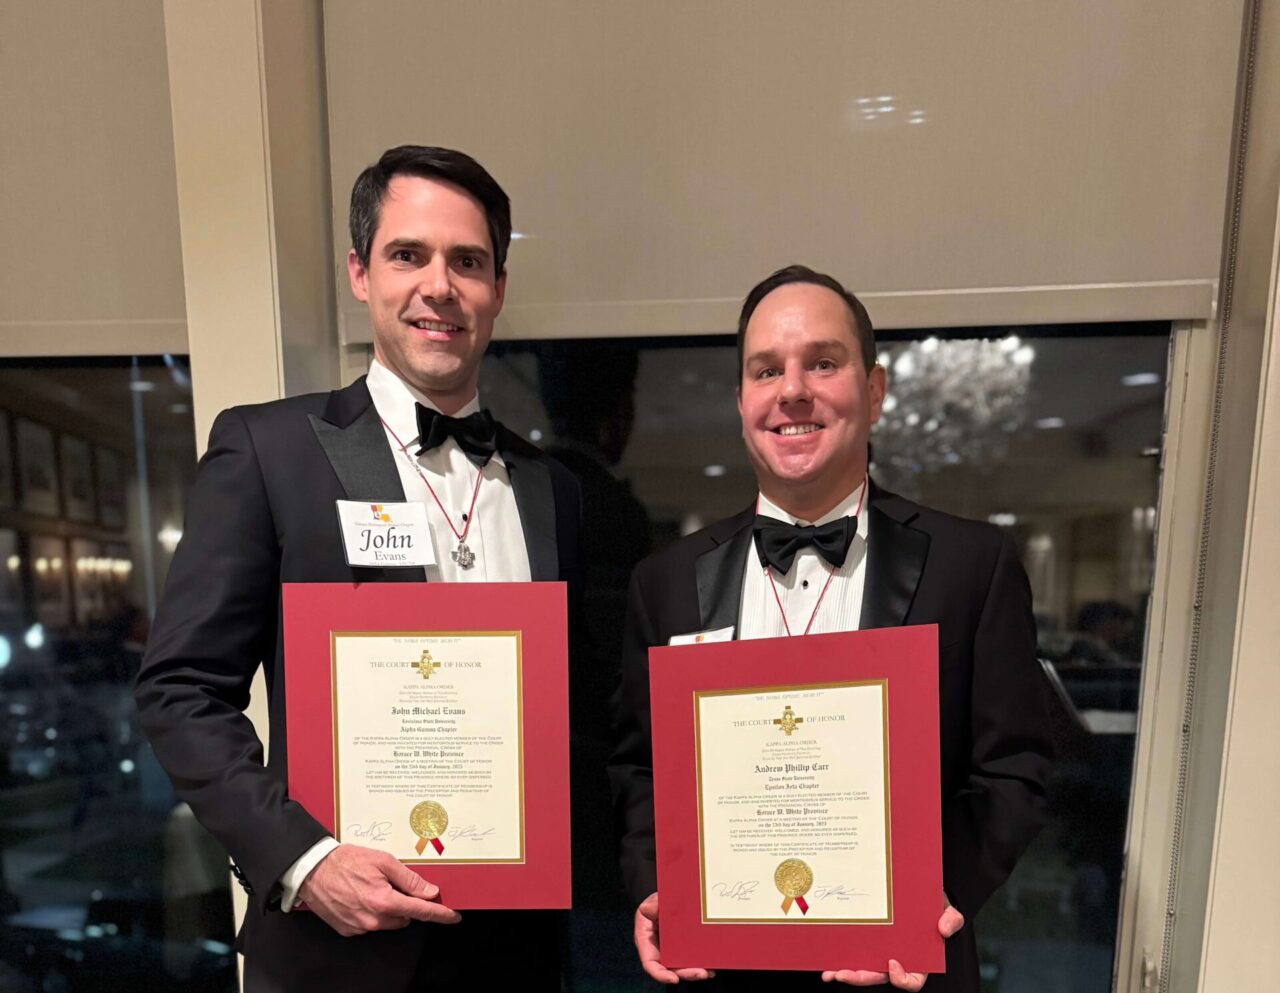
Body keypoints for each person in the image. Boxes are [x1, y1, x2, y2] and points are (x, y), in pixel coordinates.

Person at [135, 145, 580, 992]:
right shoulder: (268, 451)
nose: (439, 286)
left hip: (517, 957)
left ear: (499, 287)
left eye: (469, 261)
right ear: (360, 273)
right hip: (335, 957)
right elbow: (181, 689)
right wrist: (303, 859)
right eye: (408, 254)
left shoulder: (552, 489)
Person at [608, 265, 1052, 992]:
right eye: (766, 370)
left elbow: (1015, 771)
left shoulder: (974, 566)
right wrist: (657, 885)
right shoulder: (664, 583)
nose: (792, 391)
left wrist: (927, 900)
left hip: (904, 974)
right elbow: (637, 769)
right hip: (721, 974)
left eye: (822, 362)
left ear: (873, 390)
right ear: (742, 400)